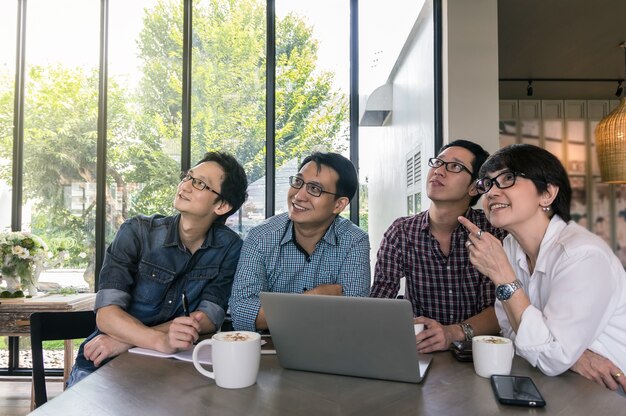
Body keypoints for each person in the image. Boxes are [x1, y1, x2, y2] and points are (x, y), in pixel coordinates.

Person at [67, 151, 248, 386]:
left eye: (200, 184)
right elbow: (107, 316)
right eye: (188, 177)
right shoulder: (137, 232)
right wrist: (158, 340)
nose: (186, 186)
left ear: (222, 205)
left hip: (172, 368)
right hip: (103, 361)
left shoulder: (230, 248)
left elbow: (208, 318)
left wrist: (129, 340)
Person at [459, 143, 626, 394]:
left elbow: (548, 355)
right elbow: (510, 332)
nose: (491, 192)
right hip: (560, 385)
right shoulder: (511, 247)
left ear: (547, 194)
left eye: (507, 178)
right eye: (487, 184)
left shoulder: (582, 255)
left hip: (609, 394)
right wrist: (574, 357)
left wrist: (502, 275)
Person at [370, 139, 507, 353]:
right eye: (437, 163)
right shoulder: (401, 232)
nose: (439, 171)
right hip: (420, 350)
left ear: (473, 188)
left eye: (455, 167)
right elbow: (379, 302)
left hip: (480, 352)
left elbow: (503, 308)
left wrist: (452, 332)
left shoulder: (492, 232)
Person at [229, 152, 370, 331]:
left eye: (314, 189)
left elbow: (354, 316)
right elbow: (241, 313)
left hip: (332, 349)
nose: (298, 196)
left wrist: (273, 313)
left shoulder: (354, 241)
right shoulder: (260, 237)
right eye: (298, 182)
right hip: (271, 348)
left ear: (339, 205)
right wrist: (311, 299)